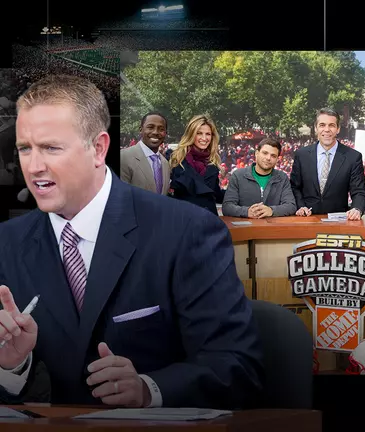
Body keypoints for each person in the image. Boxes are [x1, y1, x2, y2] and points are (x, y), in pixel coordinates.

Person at [0, 74, 263, 408]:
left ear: (98, 149)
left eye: (51, 148)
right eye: (25, 149)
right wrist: (12, 367)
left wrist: (148, 389)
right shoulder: (6, 244)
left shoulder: (188, 231)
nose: (34, 166)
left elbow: (238, 367)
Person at [290, 108, 365, 220]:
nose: (327, 130)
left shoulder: (353, 157)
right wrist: (301, 206)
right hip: (306, 219)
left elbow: (359, 191)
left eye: (331, 125)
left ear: (338, 129)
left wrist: (357, 209)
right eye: (322, 125)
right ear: (316, 128)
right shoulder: (302, 155)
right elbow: (294, 187)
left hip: (338, 222)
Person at [222, 137, 296, 218]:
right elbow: (227, 207)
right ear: (256, 153)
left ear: (277, 159)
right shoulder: (238, 175)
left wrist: (271, 210)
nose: (268, 158)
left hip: (273, 228)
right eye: (265, 153)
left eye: (273, 156)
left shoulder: (282, 177)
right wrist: (246, 212)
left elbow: (291, 206)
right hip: (244, 228)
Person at [168, 115, 225, 215]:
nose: (204, 138)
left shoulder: (213, 162)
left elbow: (216, 194)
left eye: (208, 134)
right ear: (191, 134)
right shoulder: (175, 159)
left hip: (208, 220)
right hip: (183, 220)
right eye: (199, 133)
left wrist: (238, 193)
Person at [120, 112, 170, 195]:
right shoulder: (123, 157)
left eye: (161, 129)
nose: (155, 132)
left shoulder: (165, 163)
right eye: (150, 127)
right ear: (141, 129)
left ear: (165, 133)